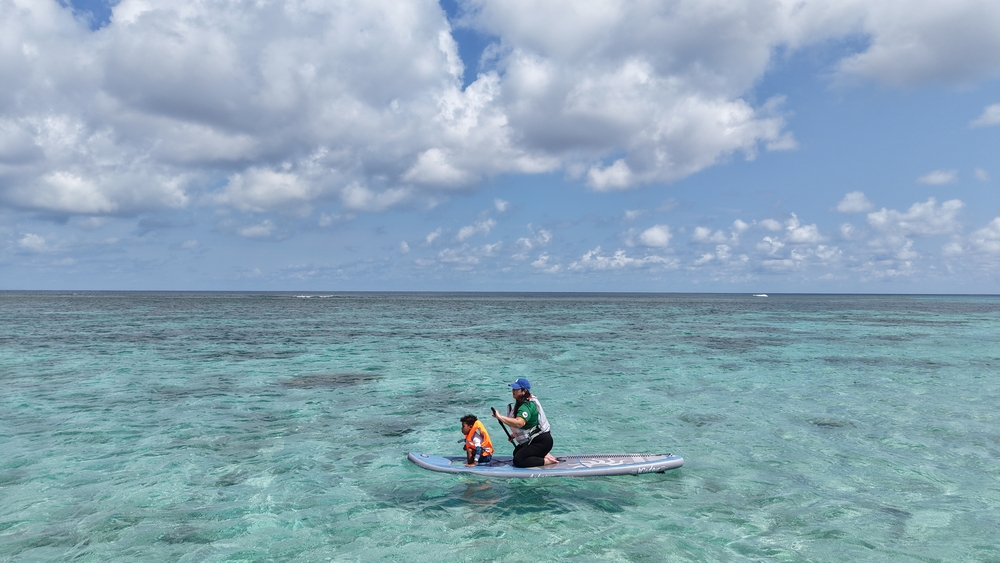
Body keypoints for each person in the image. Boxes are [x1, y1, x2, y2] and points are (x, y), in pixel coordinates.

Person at [492, 377, 558, 468]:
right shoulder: (520, 403)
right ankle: (541, 454)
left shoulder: (527, 406)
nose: (513, 390)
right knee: (516, 452)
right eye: (513, 388)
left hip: (542, 441)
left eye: (516, 389)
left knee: (518, 460)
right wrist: (515, 434)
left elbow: (519, 423)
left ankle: (547, 461)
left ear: (524, 391)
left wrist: (500, 417)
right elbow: (529, 426)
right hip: (534, 439)